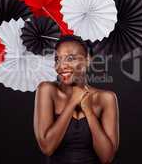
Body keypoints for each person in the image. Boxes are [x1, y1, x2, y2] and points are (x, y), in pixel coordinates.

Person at [33, 35, 120, 164]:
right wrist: (73, 101)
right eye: (57, 59)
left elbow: (107, 157)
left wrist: (88, 110)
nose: (61, 66)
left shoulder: (106, 99)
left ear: (87, 60)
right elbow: (47, 147)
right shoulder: (47, 90)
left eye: (70, 58)